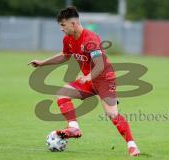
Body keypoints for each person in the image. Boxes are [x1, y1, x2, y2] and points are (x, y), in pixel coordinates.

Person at [28, 6, 140, 156]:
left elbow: (99, 65)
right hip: (89, 79)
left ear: (73, 24)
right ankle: (73, 128)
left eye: (63, 25)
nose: (61, 29)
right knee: (62, 94)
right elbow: (65, 55)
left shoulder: (90, 39)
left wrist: (88, 76)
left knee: (112, 114)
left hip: (104, 79)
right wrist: (43, 62)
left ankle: (132, 146)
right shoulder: (68, 39)